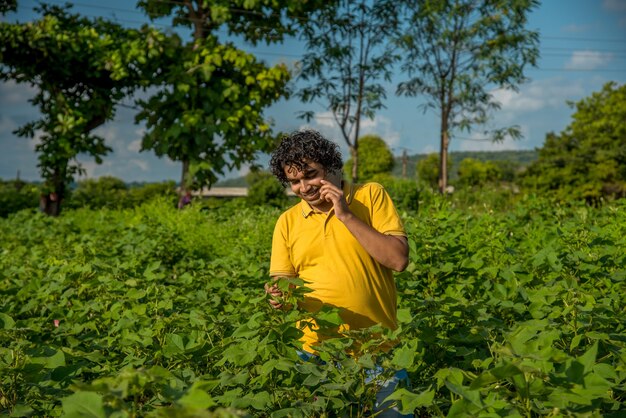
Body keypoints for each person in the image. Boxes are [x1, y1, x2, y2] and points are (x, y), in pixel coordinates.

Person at [265, 129, 412, 417]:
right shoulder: (287, 222)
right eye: (294, 181)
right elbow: (282, 279)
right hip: (317, 355)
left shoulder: (370, 196)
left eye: (311, 175)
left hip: (378, 349)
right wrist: (278, 295)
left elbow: (397, 260)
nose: (304, 187)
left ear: (332, 167)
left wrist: (345, 214)